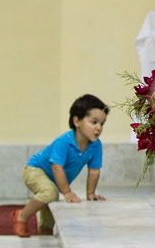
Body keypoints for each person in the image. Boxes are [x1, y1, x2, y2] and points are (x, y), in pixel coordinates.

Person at [11, 94, 108, 237]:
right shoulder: (64, 141)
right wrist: (67, 192)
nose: (98, 128)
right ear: (77, 121)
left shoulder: (95, 145)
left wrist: (90, 193)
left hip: (55, 178)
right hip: (35, 169)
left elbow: (94, 170)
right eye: (94, 122)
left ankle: (45, 232)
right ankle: (21, 217)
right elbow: (56, 167)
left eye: (102, 123)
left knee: (51, 200)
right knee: (50, 193)